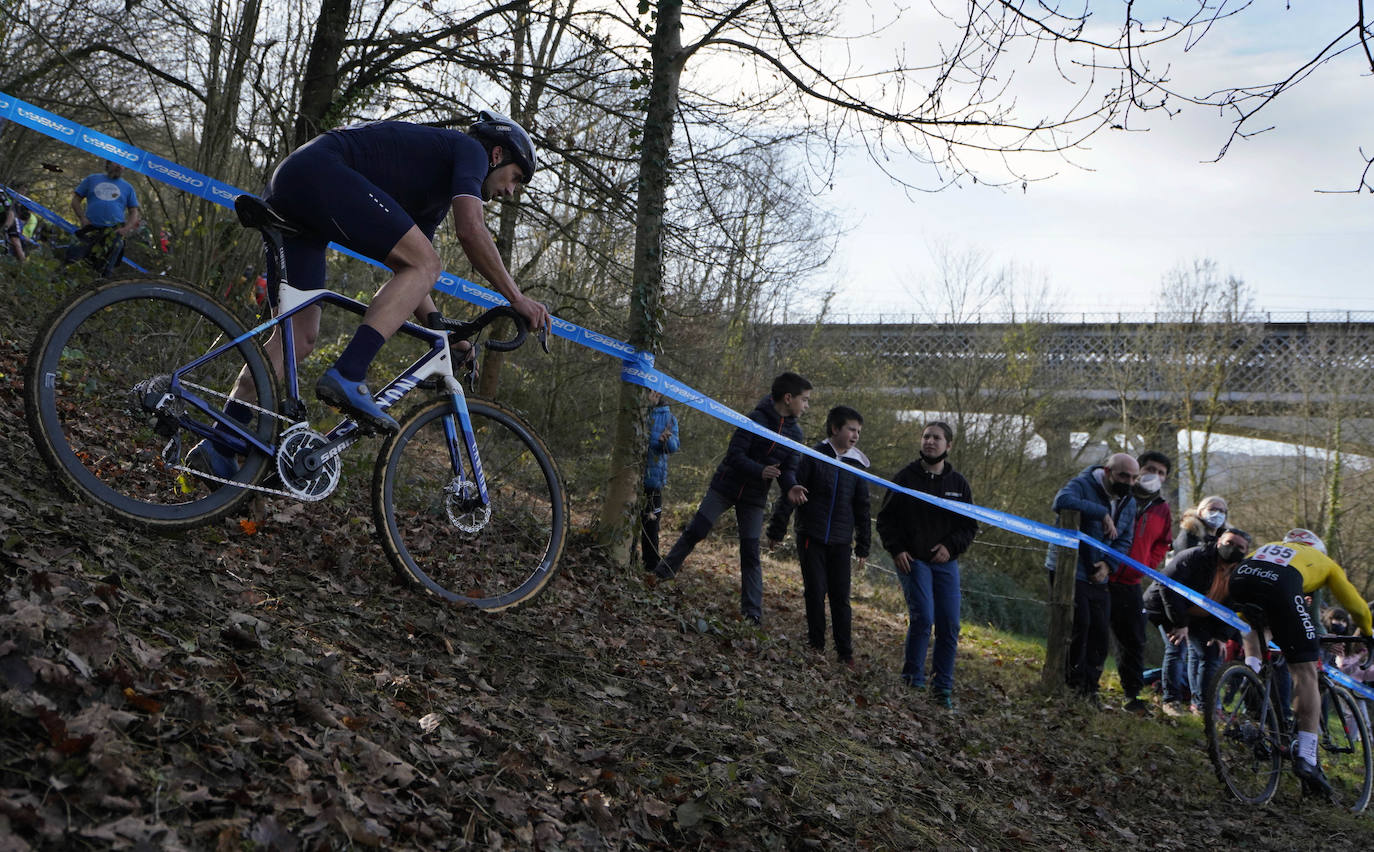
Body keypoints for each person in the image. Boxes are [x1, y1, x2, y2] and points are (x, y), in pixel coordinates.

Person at [187, 111, 550, 477]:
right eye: (516, 178)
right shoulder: (471, 150)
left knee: (297, 340)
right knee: (428, 262)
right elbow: (470, 231)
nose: (510, 191)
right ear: (498, 155)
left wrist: (444, 335)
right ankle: (349, 373)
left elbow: (411, 273)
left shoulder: (433, 197)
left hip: (300, 186)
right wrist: (515, 298)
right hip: (321, 172)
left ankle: (219, 441)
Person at [653, 372, 812, 626]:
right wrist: (759, 470)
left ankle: (752, 613)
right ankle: (661, 574)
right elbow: (735, 455)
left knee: (750, 552)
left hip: (754, 498)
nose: (806, 406)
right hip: (726, 486)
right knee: (696, 530)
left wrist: (791, 486)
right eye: (804, 400)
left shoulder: (796, 434)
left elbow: (788, 469)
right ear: (788, 398)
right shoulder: (754, 419)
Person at [1228, 529, 1373, 796]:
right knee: (1305, 670)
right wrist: (1367, 632)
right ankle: (1307, 757)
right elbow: (1358, 606)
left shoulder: (1270, 547)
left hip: (1240, 578)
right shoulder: (1324, 562)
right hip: (1281, 586)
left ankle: (1252, 672)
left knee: (1257, 628)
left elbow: (1248, 608)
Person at [875, 421, 977, 707]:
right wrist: (896, 550)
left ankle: (942, 688)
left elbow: (969, 526)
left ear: (949, 445)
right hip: (913, 559)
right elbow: (885, 520)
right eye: (926, 436)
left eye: (937, 438)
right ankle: (912, 681)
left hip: (945, 563)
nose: (930, 441)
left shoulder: (959, 484)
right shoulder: (905, 478)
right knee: (923, 617)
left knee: (950, 624)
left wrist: (950, 547)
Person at [766, 405, 872, 668]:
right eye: (851, 429)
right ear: (835, 429)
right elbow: (791, 492)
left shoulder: (858, 464)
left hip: (840, 542)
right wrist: (777, 529)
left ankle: (845, 653)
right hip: (811, 536)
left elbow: (862, 507)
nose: (855, 435)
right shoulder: (812, 456)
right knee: (815, 591)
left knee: (841, 598)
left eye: (858, 431)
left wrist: (863, 546)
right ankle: (816, 645)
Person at [1046, 453, 1138, 703]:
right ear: (1108, 472)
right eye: (1123, 476)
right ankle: (1071, 684)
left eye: (1133, 477)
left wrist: (1109, 565)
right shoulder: (1082, 484)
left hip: (1100, 573)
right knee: (1079, 625)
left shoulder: (1129, 501)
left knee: (1099, 632)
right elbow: (1061, 501)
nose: (1128, 482)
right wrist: (1101, 512)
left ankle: (1089, 688)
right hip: (1070, 567)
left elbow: (1124, 539)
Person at [1143, 527, 1251, 716]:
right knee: (1176, 648)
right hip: (1168, 608)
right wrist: (1180, 624)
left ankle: (1202, 707)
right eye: (1229, 543)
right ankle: (1171, 700)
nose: (1233, 548)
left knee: (1211, 654)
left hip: (1202, 618)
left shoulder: (1243, 574)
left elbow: (1235, 606)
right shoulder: (1194, 557)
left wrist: (1221, 636)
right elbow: (1167, 586)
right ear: (1218, 542)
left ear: (1246, 552)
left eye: (1239, 547)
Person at [1113, 450, 1173, 712]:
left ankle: (1132, 694)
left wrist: (1146, 565)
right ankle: (1080, 684)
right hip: (1100, 575)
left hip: (1131, 582)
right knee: (1088, 631)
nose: (1154, 476)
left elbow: (1164, 542)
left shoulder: (1162, 508)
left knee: (1134, 639)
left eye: (1161, 473)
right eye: (1150, 469)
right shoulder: (1117, 494)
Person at [71, 160, 141, 272]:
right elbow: (75, 201)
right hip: (90, 228)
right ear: (108, 164)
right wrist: (82, 218)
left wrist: (126, 229)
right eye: (116, 162)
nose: (119, 165)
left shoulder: (128, 188)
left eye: (122, 164)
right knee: (74, 262)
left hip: (114, 233)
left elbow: (134, 211)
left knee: (105, 269)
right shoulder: (91, 179)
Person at [640, 390, 680, 572]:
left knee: (651, 527)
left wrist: (666, 440)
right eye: (649, 391)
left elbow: (674, 447)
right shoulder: (639, 412)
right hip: (634, 479)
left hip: (653, 483)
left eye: (655, 391)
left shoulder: (669, 418)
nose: (652, 394)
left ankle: (651, 567)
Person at [2, 187, 25, 261]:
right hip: (2, 219)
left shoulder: (2, 196)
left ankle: (22, 265)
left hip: (11, 220)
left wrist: (6, 227)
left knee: (15, 242)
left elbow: (11, 213)